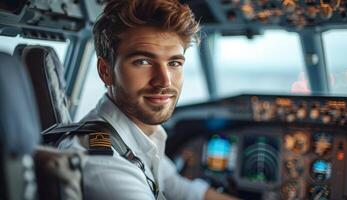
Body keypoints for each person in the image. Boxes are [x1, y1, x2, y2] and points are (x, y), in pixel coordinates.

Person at [59, 0, 239, 199]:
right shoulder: (104, 167)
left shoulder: (141, 134)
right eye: (142, 62)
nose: (164, 81)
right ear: (106, 71)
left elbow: (182, 190)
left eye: (174, 63)